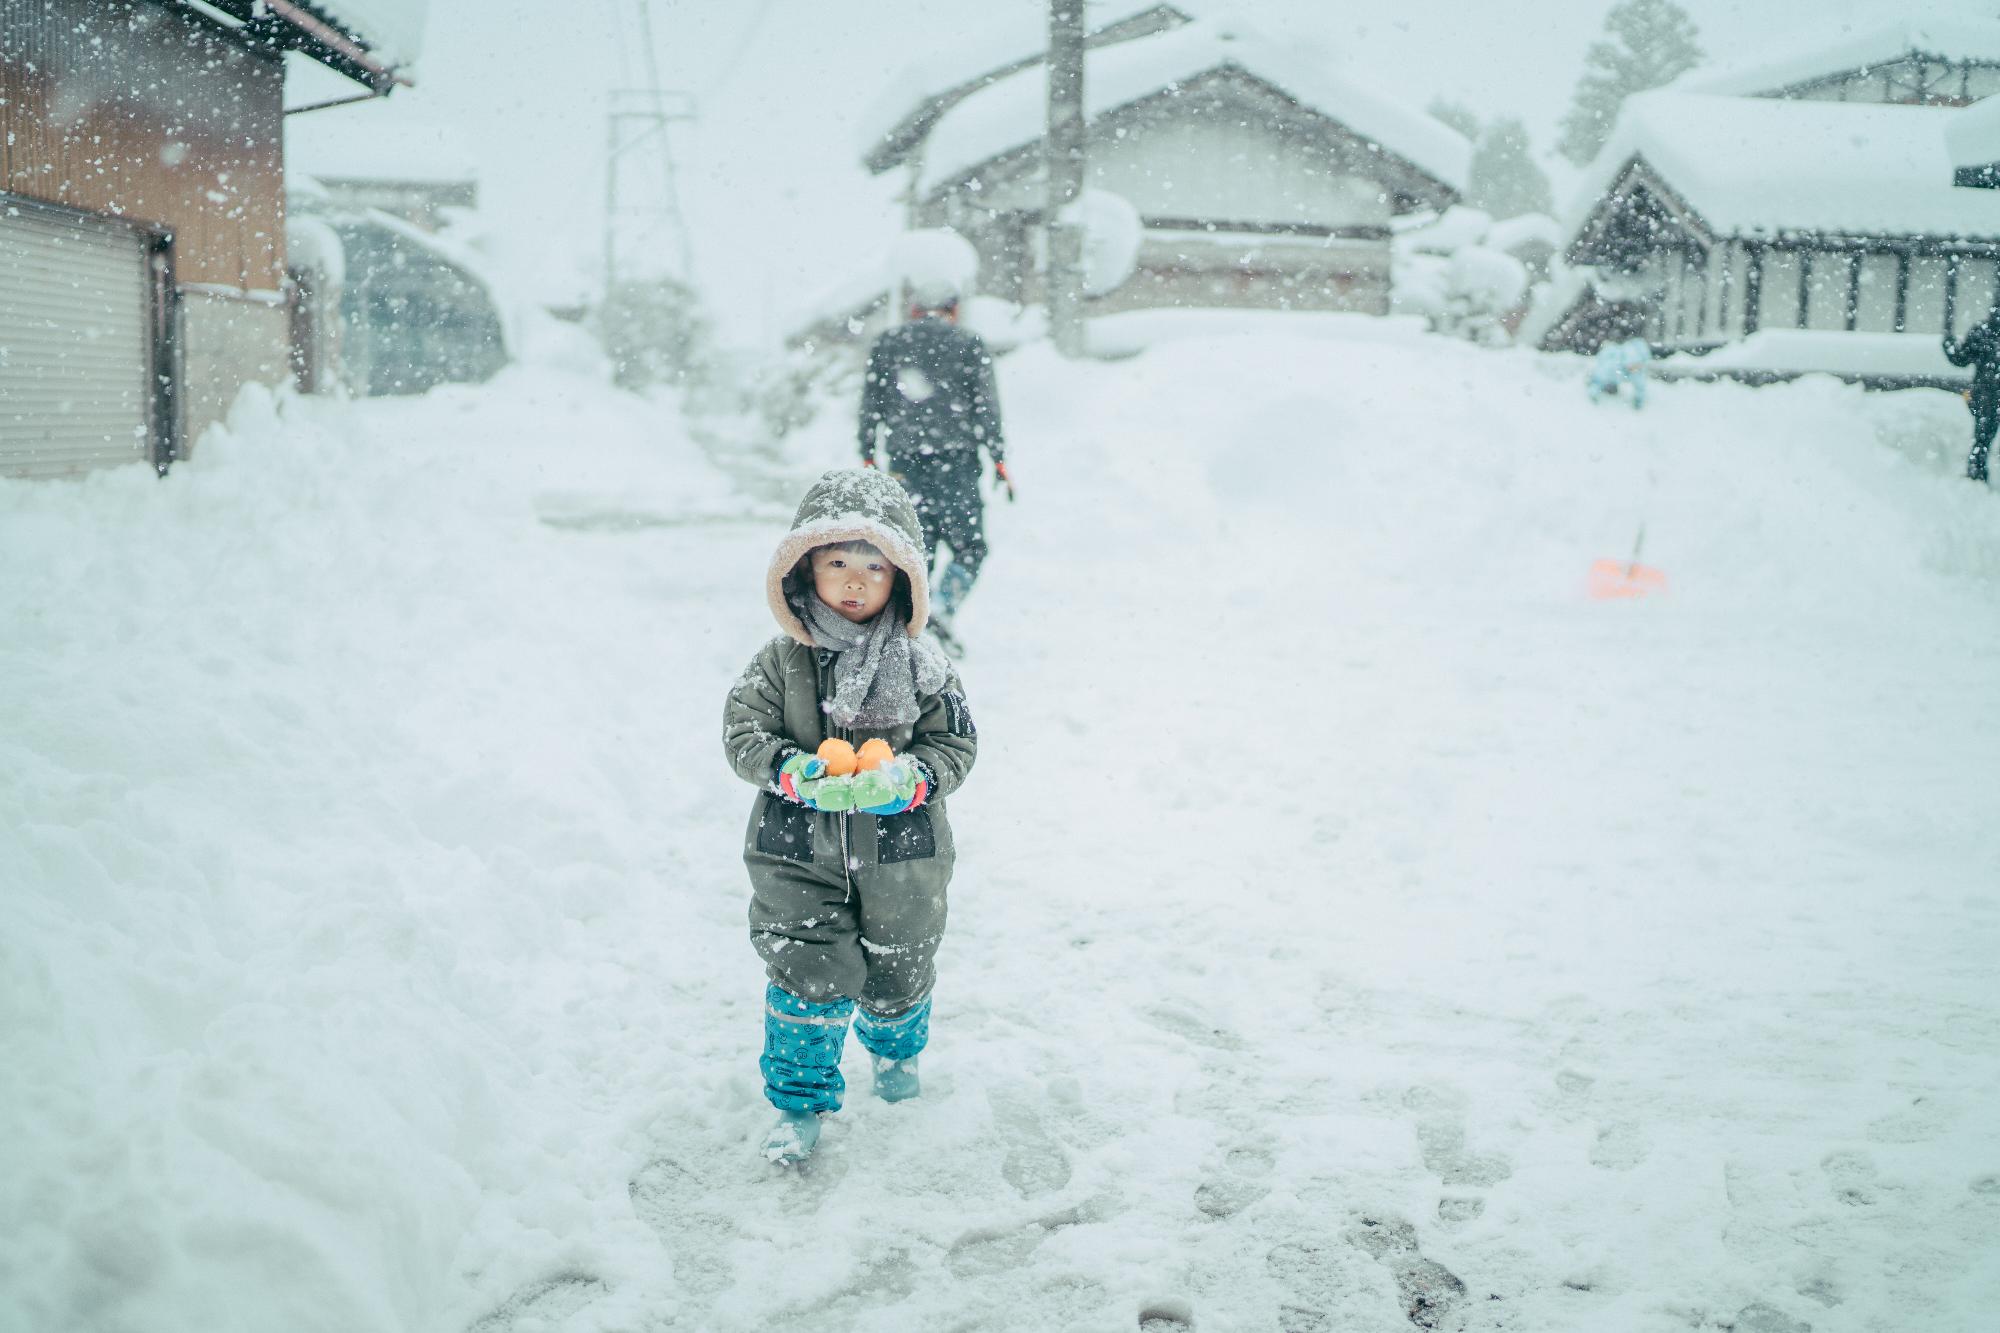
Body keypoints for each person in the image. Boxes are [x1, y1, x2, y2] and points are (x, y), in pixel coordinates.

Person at [722, 467, 979, 1165]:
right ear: (804, 568)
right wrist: (790, 768)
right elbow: (742, 732)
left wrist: (915, 777)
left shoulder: (929, 668)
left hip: (904, 854)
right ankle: (798, 1100)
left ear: (903, 578)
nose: (856, 581)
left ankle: (896, 1057)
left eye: (875, 565)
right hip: (796, 852)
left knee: (900, 963)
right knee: (808, 970)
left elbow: (956, 741)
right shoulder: (779, 662)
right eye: (837, 562)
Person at [857, 277, 1012, 644]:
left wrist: (866, 451)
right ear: (954, 310)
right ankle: (941, 607)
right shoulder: (969, 344)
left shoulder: (890, 343)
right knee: (969, 547)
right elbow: (986, 406)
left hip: (904, 463)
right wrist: (998, 457)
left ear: (913, 309)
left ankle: (915, 622)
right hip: (957, 463)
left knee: (911, 548)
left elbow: (871, 403)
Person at [1943, 304, 2000, 484]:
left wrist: (1949, 344)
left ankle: (1977, 476)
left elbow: (1961, 358)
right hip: (1987, 394)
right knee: (1983, 438)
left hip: (1986, 395)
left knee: (1982, 438)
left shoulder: (1983, 331)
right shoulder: (1984, 332)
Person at [1587, 336, 1651, 409]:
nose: (1635, 368)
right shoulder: (1612, 365)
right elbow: (1601, 376)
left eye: (1638, 366)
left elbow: (1640, 385)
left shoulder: (1636, 371)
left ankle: (1608, 386)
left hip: (1617, 372)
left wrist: (1638, 400)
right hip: (1607, 371)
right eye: (1634, 365)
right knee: (1600, 378)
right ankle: (1594, 381)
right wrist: (1593, 392)